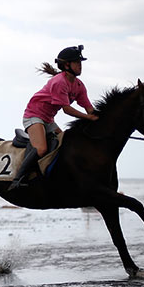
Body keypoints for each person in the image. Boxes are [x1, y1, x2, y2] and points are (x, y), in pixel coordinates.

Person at [9, 45, 98, 190]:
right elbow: (67, 109)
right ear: (67, 65)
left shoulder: (79, 86)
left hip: (49, 120)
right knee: (42, 149)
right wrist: (88, 118)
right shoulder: (59, 82)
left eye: (81, 63)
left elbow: (90, 109)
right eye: (77, 63)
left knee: (66, 144)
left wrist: (99, 118)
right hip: (34, 116)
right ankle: (18, 179)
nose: (80, 66)